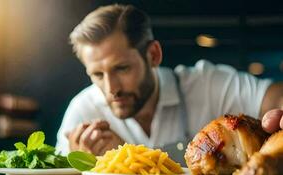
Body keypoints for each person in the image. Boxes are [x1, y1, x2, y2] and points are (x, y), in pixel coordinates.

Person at [55, 4, 283, 162]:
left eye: (121, 68)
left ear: (153, 55)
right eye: (97, 74)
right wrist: (77, 162)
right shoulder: (83, 111)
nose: (111, 88)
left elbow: (275, 95)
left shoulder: (206, 84)